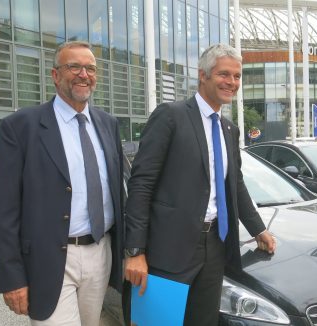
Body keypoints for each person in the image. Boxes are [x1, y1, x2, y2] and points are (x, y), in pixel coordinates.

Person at [124, 44, 276, 326]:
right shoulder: (171, 116)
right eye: (224, 74)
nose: (231, 82)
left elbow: (236, 184)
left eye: (237, 76)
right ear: (202, 75)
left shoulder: (229, 130)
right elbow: (141, 185)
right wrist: (135, 251)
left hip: (214, 248)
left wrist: (258, 228)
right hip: (167, 250)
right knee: (158, 323)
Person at [0, 41, 125, 325]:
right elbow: (3, 210)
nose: (83, 74)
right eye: (74, 66)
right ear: (55, 75)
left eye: (90, 68)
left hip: (101, 253)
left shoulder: (108, 124)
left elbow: (120, 194)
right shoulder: (21, 127)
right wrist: (11, 276)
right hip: (50, 260)